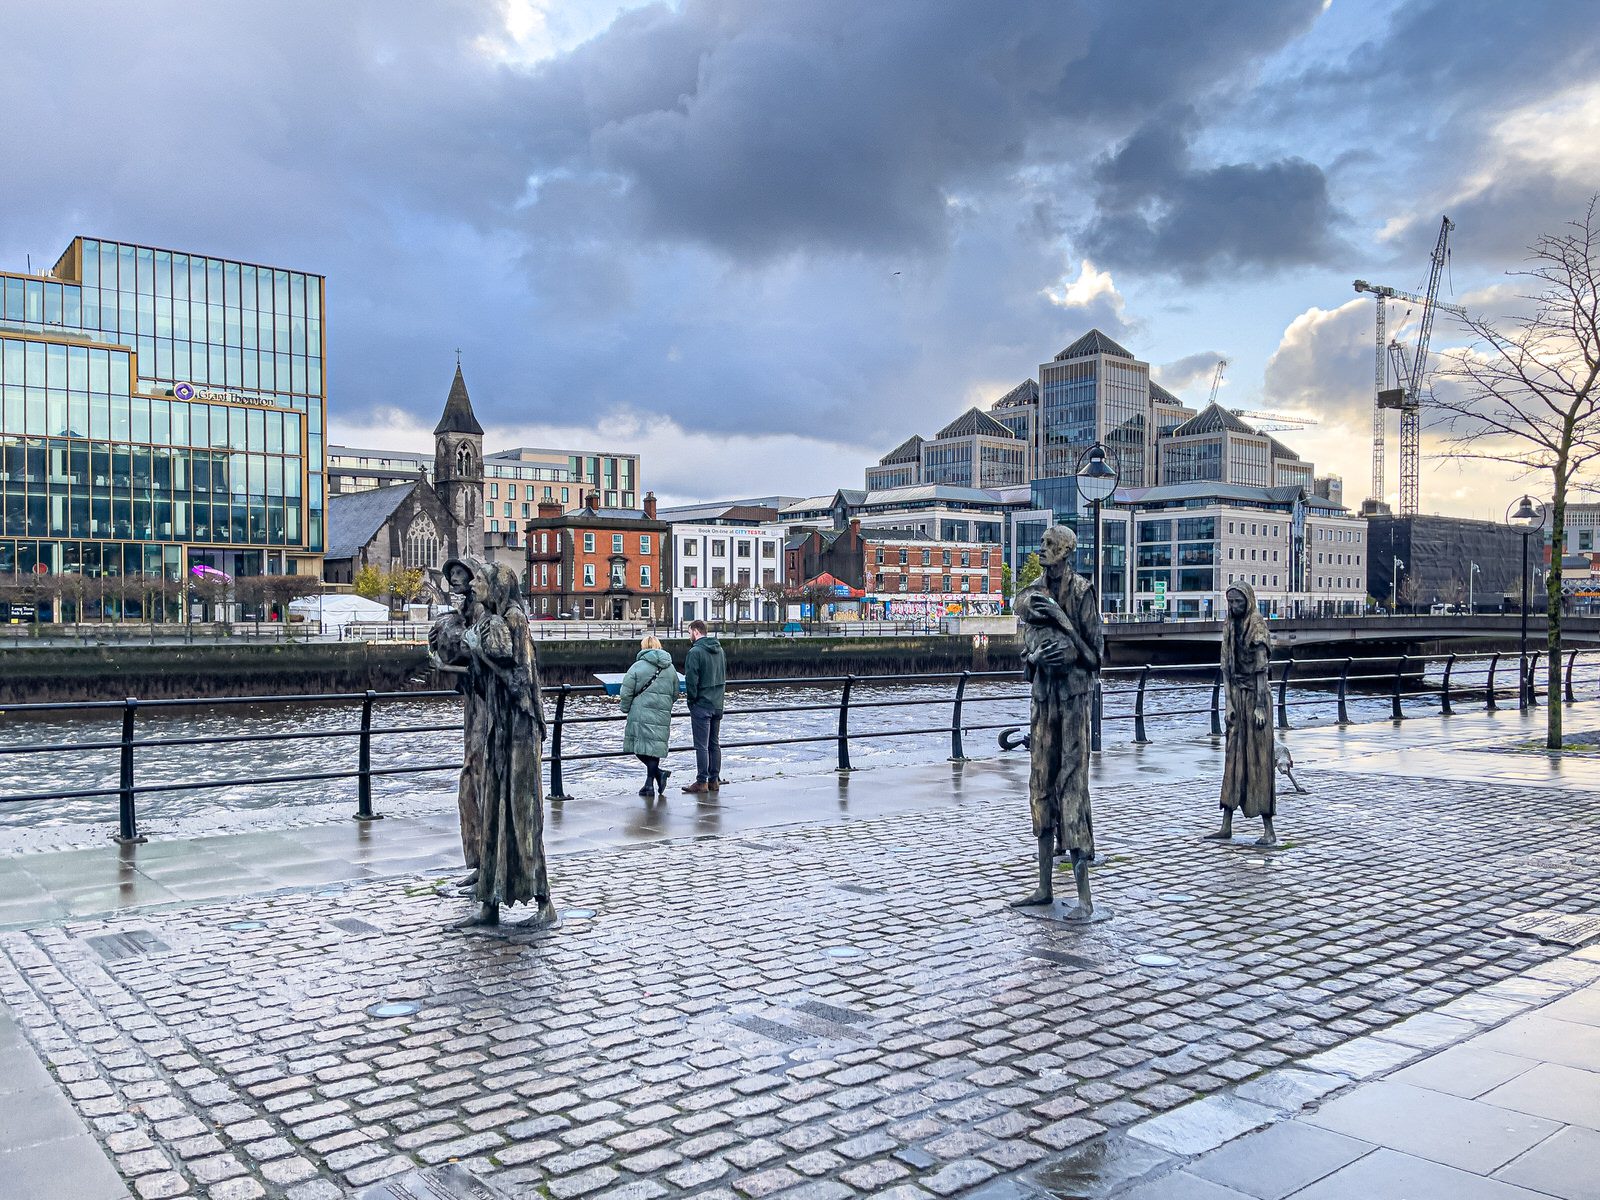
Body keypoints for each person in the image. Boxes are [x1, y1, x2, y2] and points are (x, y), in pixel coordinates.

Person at [434, 561, 554, 928]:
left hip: (519, 730)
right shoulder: (492, 620)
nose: (475, 585)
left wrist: (480, 653)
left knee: (523, 815)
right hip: (498, 729)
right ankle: (489, 902)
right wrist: (459, 665)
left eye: (482, 580)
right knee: (493, 813)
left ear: (499, 585)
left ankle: (544, 904)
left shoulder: (514, 620)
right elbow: (486, 680)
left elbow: (518, 680)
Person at [1010, 525, 1103, 917]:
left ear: (1066, 551)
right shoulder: (1031, 594)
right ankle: (1044, 887)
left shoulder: (1082, 592)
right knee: (1040, 785)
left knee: (1072, 786)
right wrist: (1033, 660)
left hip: (1074, 702)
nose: (1042, 549)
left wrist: (1064, 623)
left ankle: (1084, 898)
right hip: (1043, 701)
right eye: (1043, 544)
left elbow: (1095, 657)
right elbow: (1023, 649)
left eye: (1050, 545)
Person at [428, 555, 489, 890]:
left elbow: (475, 650)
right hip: (474, 702)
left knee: (476, 779)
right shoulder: (463, 612)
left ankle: (485, 865)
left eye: (460, 573)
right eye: (451, 573)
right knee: (469, 784)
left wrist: (449, 638)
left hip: (485, 705)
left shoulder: (483, 613)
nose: (454, 578)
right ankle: (477, 862)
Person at [1206, 580, 1278, 846]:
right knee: (1233, 761)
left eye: (1238, 602)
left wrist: (1260, 706)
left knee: (1260, 761)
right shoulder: (1229, 626)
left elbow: (1261, 670)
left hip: (1256, 699)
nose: (1234, 607)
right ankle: (1226, 823)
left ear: (1248, 601)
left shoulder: (1256, 626)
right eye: (1231, 602)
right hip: (1237, 697)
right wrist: (1228, 704)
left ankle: (1268, 828)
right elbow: (1226, 669)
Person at [618, 634, 677, 797]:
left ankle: (656, 777)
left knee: (638, 746)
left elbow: (626, 691)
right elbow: (675, 692)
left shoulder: (638, 666)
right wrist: (665, 704)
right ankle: (650, 782)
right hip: (662, 713)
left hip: (641, 712)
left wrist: (625, 708)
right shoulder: (670, 668)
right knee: (654, 748)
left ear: (643, 647)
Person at [682, 619, 726, 794]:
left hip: (702, 703)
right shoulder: (720, 649)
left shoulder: (695, 652)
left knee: (701, 745)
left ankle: (702, 781)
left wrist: (691, 700)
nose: (689, 636)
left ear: (695, 631)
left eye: (688, 632)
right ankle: (714, 780)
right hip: (717, 702)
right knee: (714, 743)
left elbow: (691, 680)